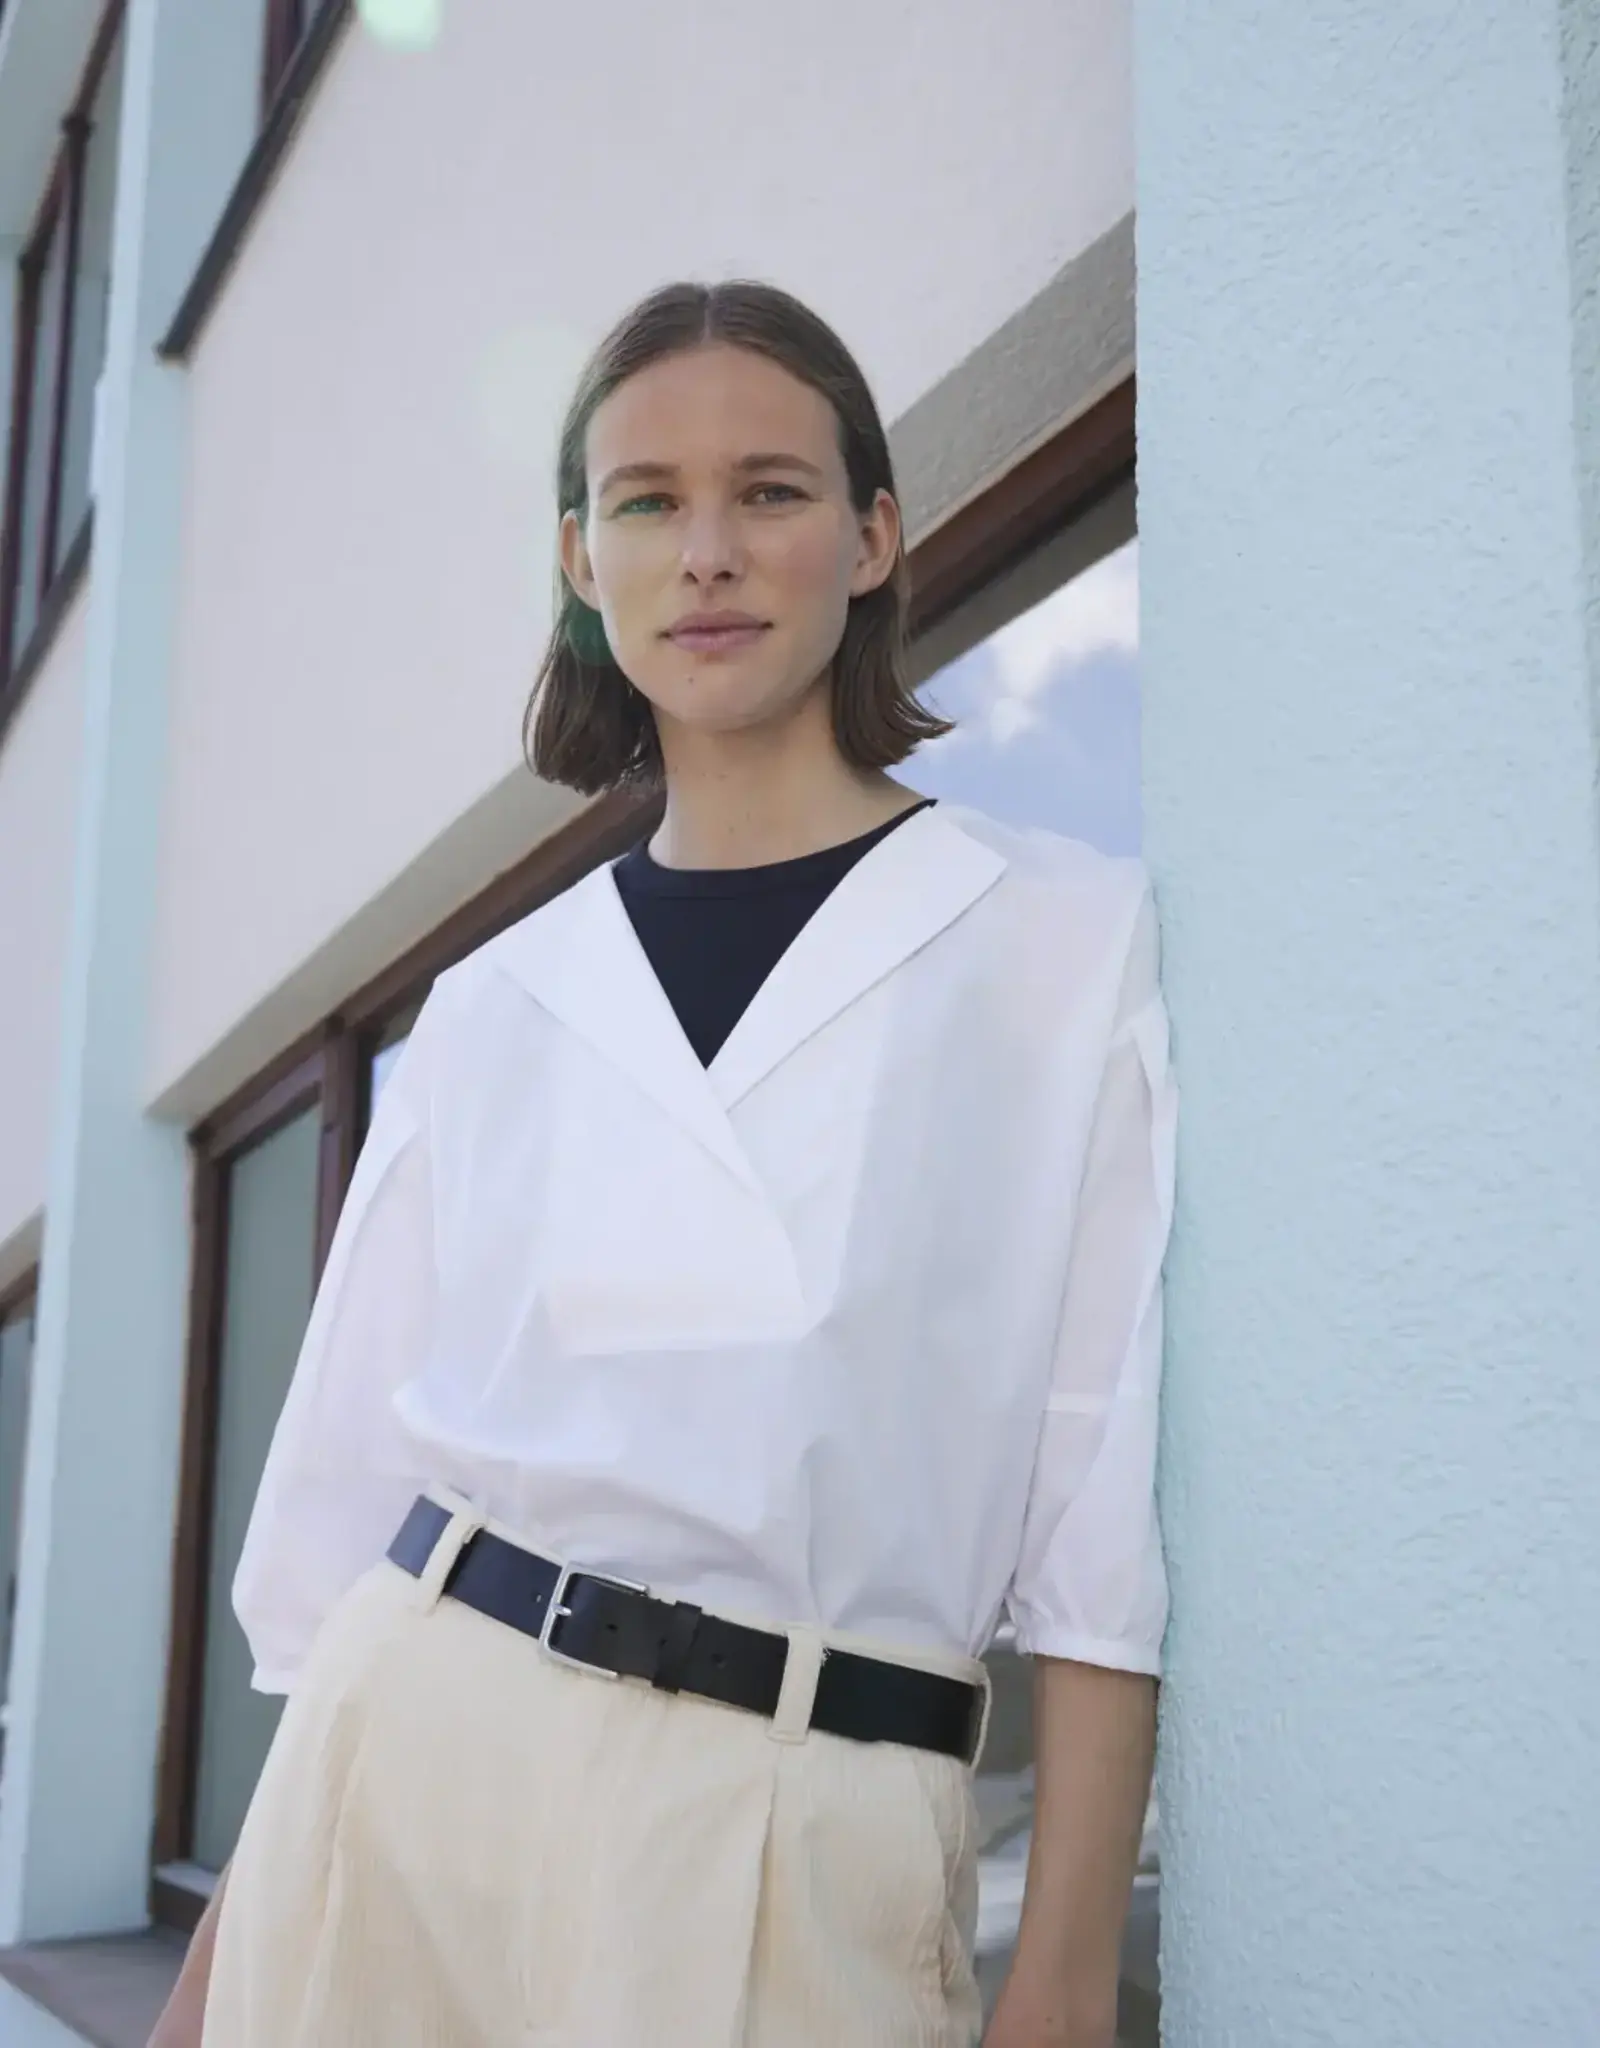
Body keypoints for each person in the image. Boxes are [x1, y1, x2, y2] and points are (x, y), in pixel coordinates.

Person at [149, 279, 1175, 2048]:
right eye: (647, 502)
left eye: (770, 492)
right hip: (405, 1785)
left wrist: (1064, 1971)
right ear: (579, 559)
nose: (707, 549)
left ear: (870, 538)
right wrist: (221, 1964)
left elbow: (1098, 1505)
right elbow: (347, 1515)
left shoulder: (1060, 945)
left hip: (796, 1829)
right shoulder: (491, 1004)